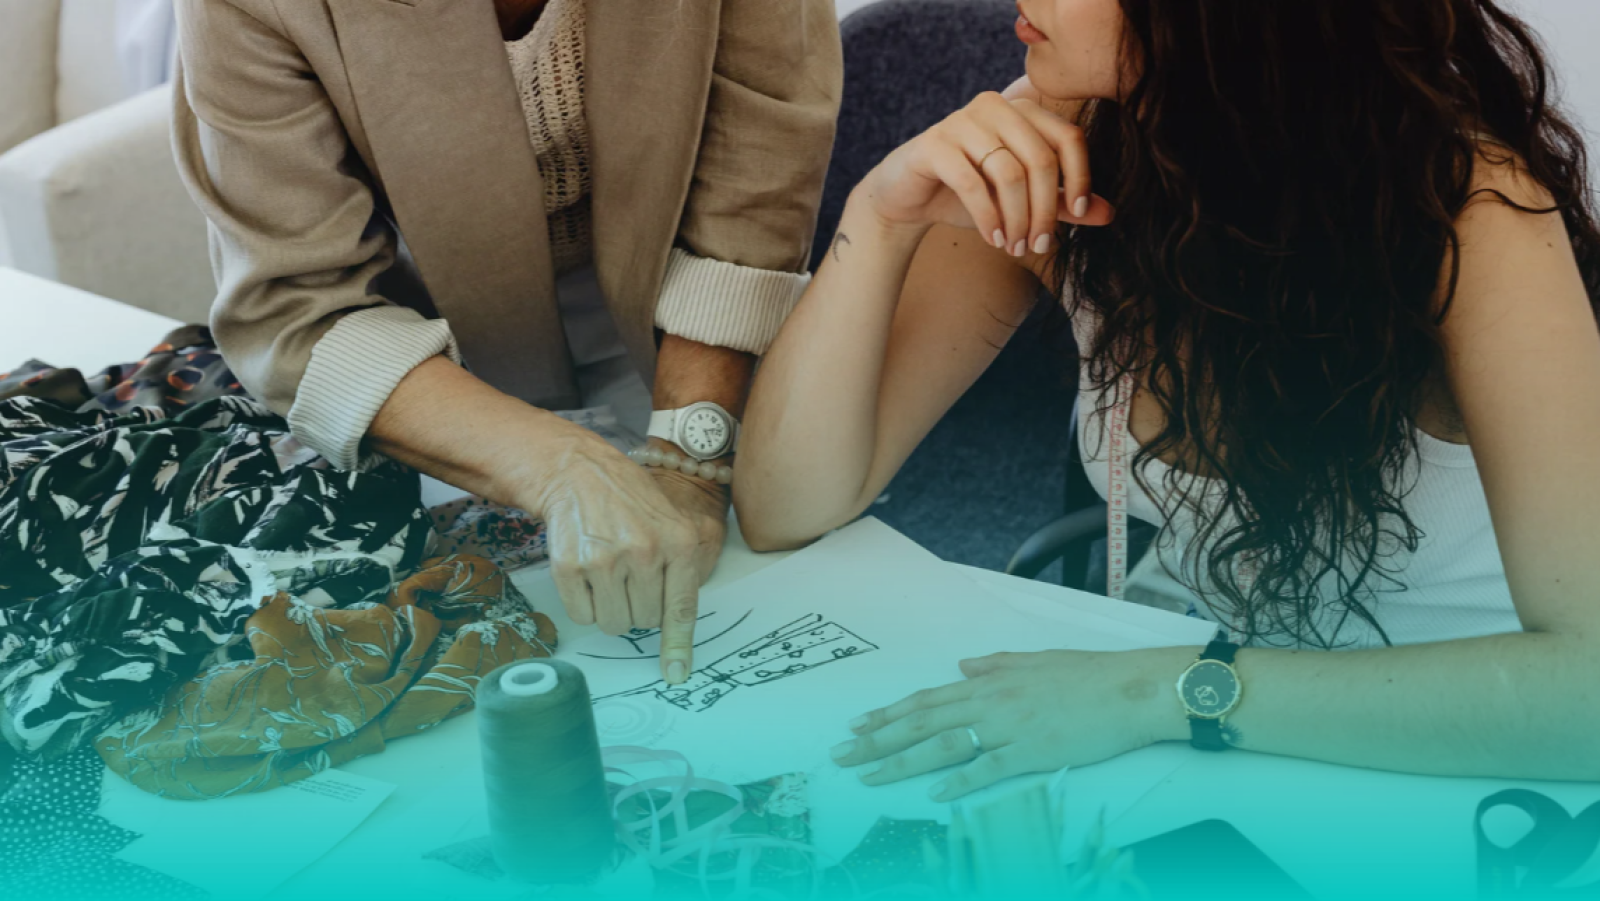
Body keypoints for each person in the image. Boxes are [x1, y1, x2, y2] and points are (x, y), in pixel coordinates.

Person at [735, 0, 1600, 798]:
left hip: (1500, 764)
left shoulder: (1471, 208)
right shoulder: (1062, 142)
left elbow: (1585, 692)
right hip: (1253, 737)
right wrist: (881, 213)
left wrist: (1162, 687)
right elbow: (786, 506)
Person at [170, 0, 841, 684]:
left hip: (687, 294)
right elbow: (300, 302)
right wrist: (563, 466)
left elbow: (755, 169)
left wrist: (689, 453)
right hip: (423, 347)